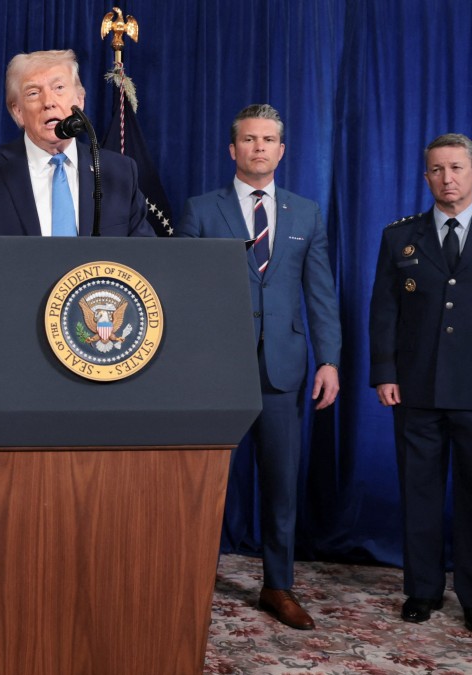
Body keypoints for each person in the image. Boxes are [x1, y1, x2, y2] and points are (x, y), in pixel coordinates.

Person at [176, 104, 341, 630]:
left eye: (269, 139)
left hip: (283, 370)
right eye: (249, 139)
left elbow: (320, 294)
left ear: (282, 149)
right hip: (216, 370)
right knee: (202, 483)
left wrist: (330, 360)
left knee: (280, 483)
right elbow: (183, 295)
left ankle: (278, 585)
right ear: (233, 149)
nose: (260, 147)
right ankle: (190, 579)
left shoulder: (306, 213)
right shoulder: (201, 211)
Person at [369, 133, 472, 634]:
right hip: (415, 387)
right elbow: (384, 311)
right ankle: (421, 590)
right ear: (426, 177)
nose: (448, 178)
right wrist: (384, 372)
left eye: (457, 168)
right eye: (437, 170)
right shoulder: (401, 236)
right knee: (418, 492)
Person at [0, 49, 154, 317]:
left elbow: (146, 255)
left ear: (80, 99)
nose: (48, 102)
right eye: (33, 93)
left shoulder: (118, 172)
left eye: (59, 88)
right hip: (10, 323)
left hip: (97, 331)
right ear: (17, 111)